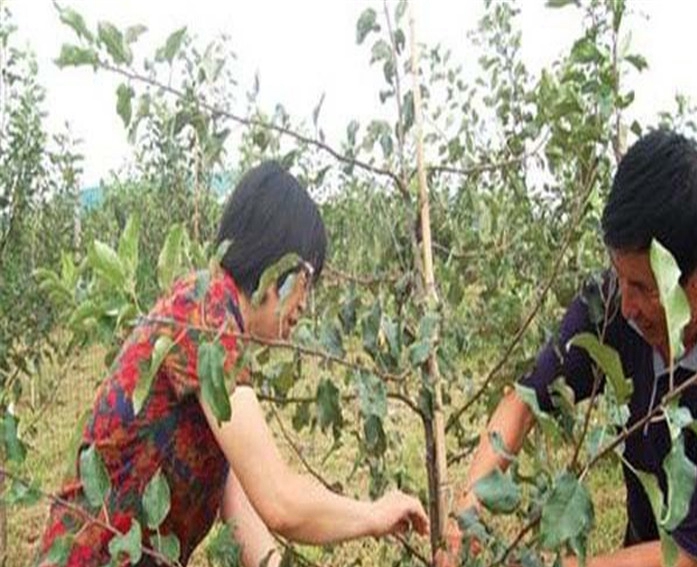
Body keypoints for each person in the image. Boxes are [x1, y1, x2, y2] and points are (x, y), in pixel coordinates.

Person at [35, 161, 429, 567]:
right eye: (307, 281)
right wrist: (374, 514)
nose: (305, 305)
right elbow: (279, 502)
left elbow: (241, 501)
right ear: (280, 263)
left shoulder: (221, 337)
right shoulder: (204, 313)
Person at [440, 129, 697, 567]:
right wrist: (468, 506)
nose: (628, 304)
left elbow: (686, 558)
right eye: (620, 277)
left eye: (643, 287)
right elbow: (526, 400)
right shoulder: (611, 306)